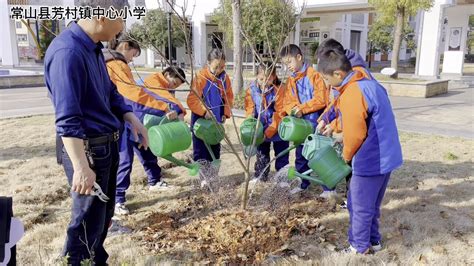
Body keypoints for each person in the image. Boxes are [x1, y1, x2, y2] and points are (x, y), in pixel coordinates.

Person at [44, 1, 149, 263]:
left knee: (103, 217)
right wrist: (81, 167)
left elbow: (110, 92)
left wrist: (131, 118)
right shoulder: (68, 52)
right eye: (122, 18)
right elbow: (68, 119)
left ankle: (96, 257)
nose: (124, 26)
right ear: (102, 16)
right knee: (87, 221)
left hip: (106, 147)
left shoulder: (92, 49)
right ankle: (79, 260)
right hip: (89, 151)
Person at [317, 49, 403, 254]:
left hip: (370, 159)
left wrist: (345, 159)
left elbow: (355, 135)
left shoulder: (353, 92)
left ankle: (359, 247)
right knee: (372, 204)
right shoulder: (371, 84)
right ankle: (374, 241)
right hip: (387, 157)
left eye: (326, 78)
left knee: (358, 206)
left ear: (338, 74)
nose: (327, 84)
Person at [103, 35, 187, 215]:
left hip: (131, 118)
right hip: (120, 119)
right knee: (124, 159)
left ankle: (154, 181)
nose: (133, 59)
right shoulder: (116, 65)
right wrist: (168, 109)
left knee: (145, 148)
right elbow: (134, 96)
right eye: (134, 54)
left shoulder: (115, 63)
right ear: (125, 46)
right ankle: (117, 200)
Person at [315, 39, 374, 202]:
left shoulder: (355, 77)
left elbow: (352, 111)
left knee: (353, 166)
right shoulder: (343, 74)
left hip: (359, 134)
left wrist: (335, 127)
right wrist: (326, 119)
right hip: (348, 129)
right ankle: (352, 199)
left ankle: (353, 200)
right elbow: (337, 104)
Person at [279, 44, 329, 196]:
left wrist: (303, 108)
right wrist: (293, 109)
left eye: (290, 63)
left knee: (319, 154)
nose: (288, 67)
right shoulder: (291, 80)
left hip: (315, 122)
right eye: (285, 65)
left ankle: (328, 188)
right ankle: (303, 183)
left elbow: (321, 99)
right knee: (300, 155)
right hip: (300, 125)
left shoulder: (314, 75)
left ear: (299, 57)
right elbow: (287, 101)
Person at [186, 48, 234, 175]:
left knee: (215, 150)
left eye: (223, 66)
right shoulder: (201, 77)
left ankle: (213, 176)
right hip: (200, 123)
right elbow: (192, 99)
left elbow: (228, 97)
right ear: (208, 63)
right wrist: (204, 111)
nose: (220, 70)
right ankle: (203, 178)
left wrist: (225, 112)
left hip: (216, 122)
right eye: (217, 67)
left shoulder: (224, 78)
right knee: (201, 151)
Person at [244, 62, 289, 181]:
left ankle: (282, 179)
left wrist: (270, 130)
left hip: (278, 127)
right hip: (261, 127)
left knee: (282, 154)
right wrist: (251, 122)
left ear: (274, 77)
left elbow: (280, 112)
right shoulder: (252, 90)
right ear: (257, 76)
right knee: (261, 154)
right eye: (261, 79)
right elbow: (250, 108)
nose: (264, 82)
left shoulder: (280, 89)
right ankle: (260, 176)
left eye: (268, 79)